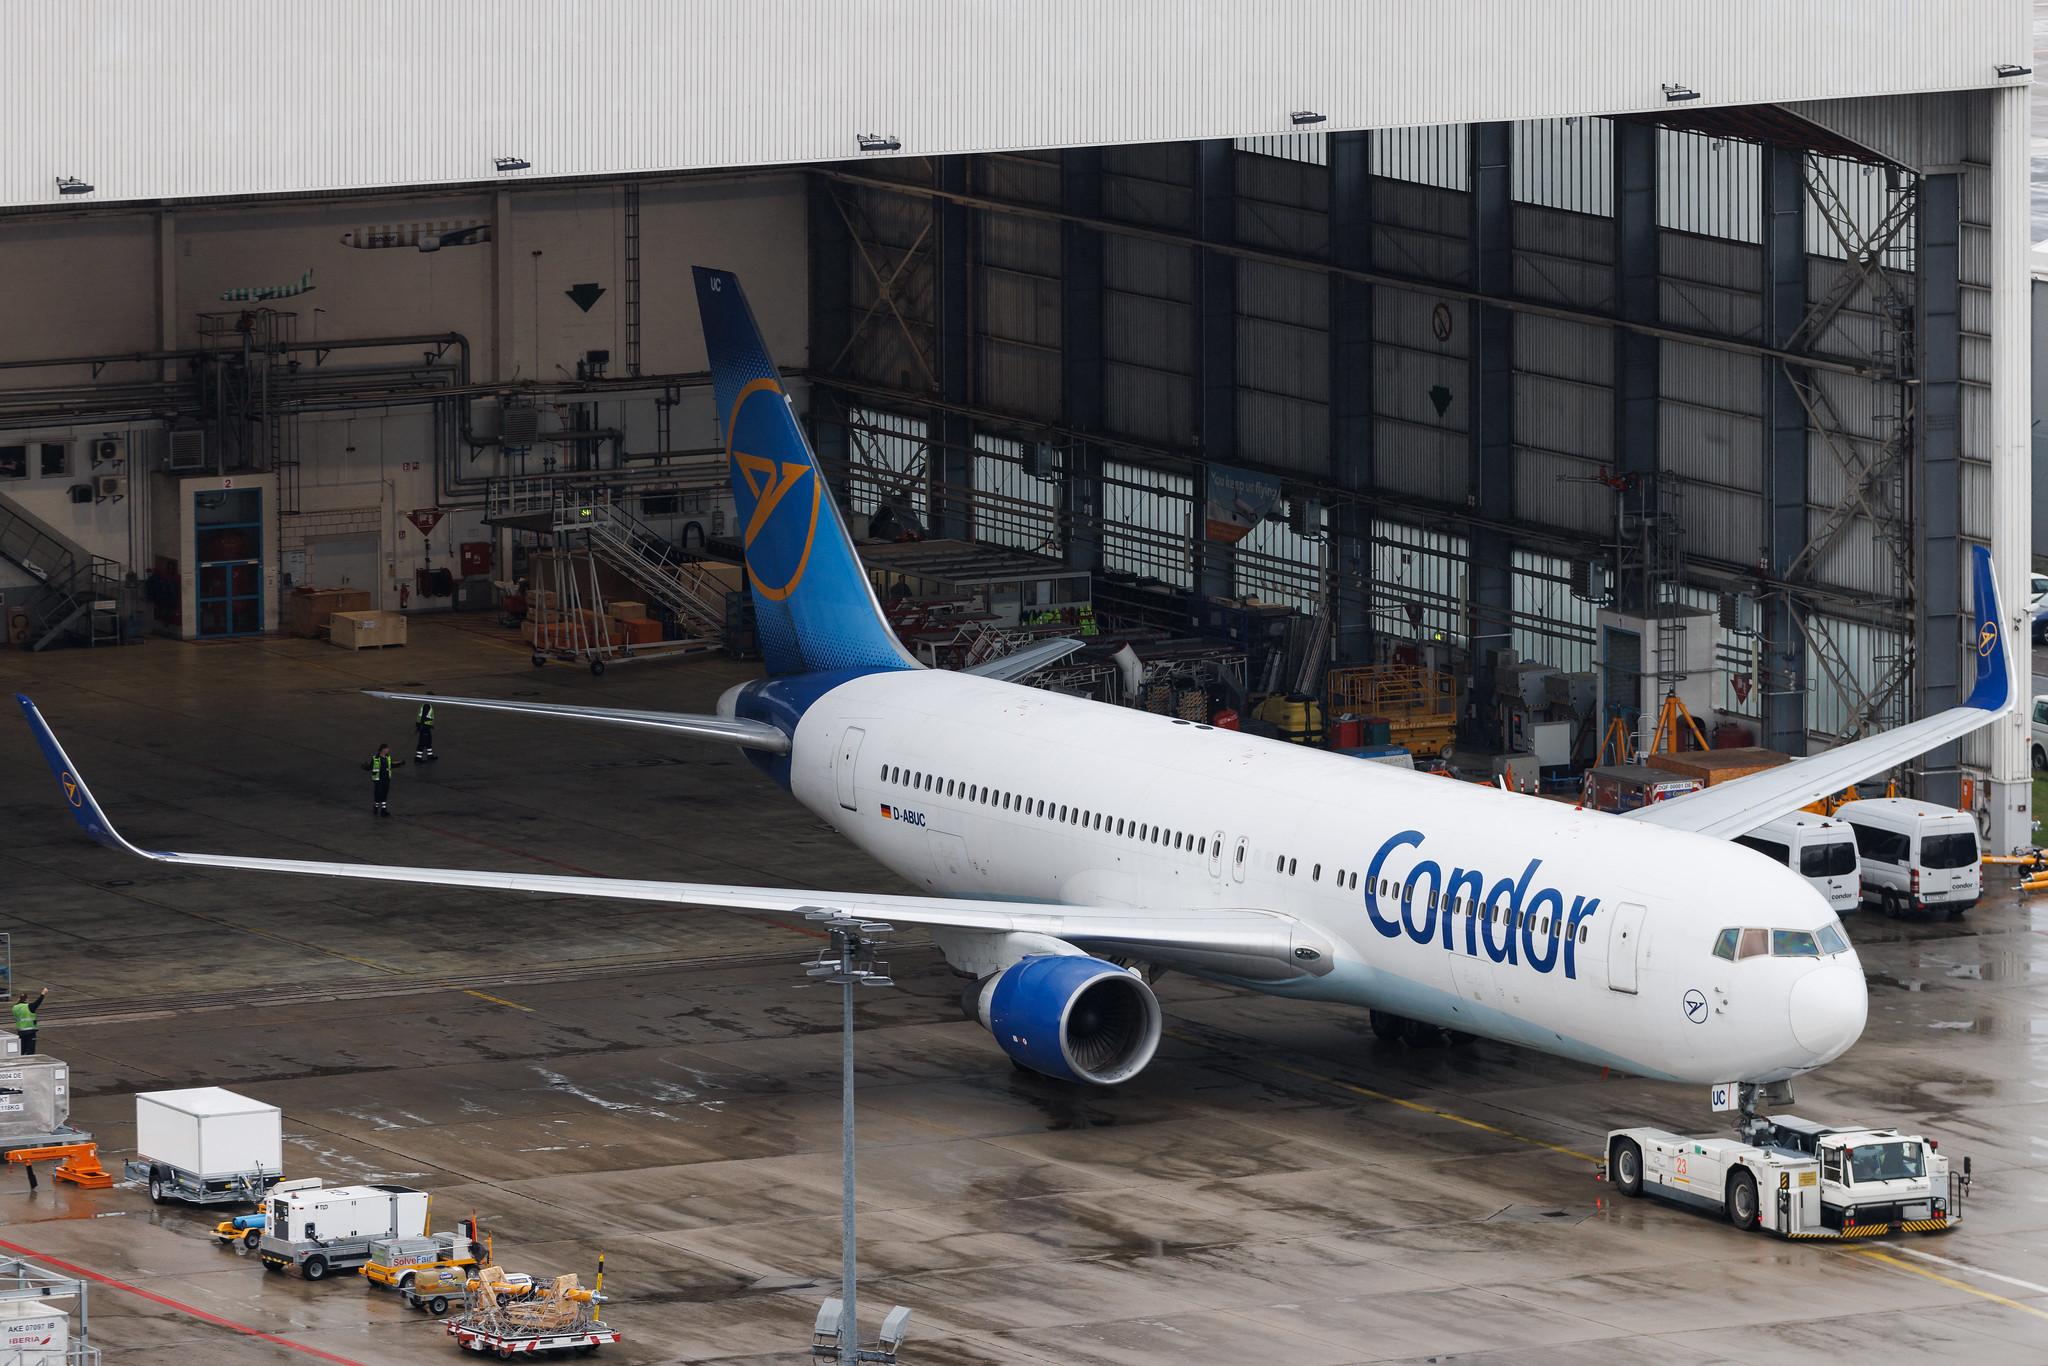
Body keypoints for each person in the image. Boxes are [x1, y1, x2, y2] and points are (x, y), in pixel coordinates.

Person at [364, 743, 403, 817]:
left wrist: (399, 764)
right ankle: (376, 806)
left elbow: (391, 765)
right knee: (378, 794)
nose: (388, 750)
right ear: (382, 749)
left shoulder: (388, 757)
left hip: (386, 779)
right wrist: (366, 767)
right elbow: (371, 767)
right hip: (378, 779)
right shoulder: (375, 758)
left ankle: (383, 810)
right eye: (387, 748)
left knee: (385, 794)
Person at [12, 988, 48, 1055]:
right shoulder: (29, 1006)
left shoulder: (14, 1008)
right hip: (30, 1032)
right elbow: (38, 1002)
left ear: (19, 999)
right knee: (30, 1051)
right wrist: (43, 994)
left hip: (20, 1032)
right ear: (26, 999)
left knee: (21, 1050)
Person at [414, 692, 437, 763]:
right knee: (422, 742)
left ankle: (430, 755)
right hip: (424, 727)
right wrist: (422, 725)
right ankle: (418, 758)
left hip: (425, 726)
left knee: (428, 742)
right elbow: (424, 717)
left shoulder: (425, 704)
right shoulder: (427, 705)